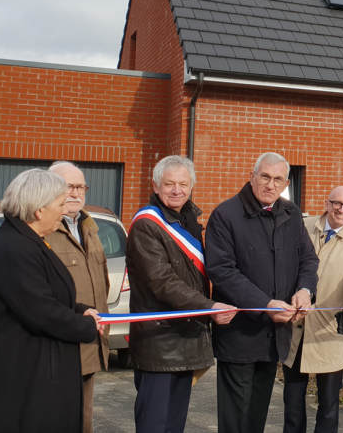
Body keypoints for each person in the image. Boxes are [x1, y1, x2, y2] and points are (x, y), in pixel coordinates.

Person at [0, 169, 104, 433]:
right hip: (18, 380)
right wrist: (86, 326)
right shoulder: (15, 248)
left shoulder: (29, 241)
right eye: (59, 205)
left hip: (32, 372)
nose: (62, 211)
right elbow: (41, 311)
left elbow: (46, 293)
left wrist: (80, 310)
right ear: (39, 211)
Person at [205, 152, 319, 433]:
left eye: (277, 179)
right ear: (252, 176)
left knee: (257, 418)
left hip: (274, 337)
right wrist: (265, 304)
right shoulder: (225, 214)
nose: (270, 184)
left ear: (286, 182)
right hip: (239, 336)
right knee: (235, 422)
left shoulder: (291, 214)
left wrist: (305, 290)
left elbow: (308, 259)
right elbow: (222, 271)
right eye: (265, 177)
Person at [126, 155, 238, 433]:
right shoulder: (147, 224)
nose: (177, 191)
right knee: (155, 424)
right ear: (155, 185)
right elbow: (162, 281)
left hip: (185, 336)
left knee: (174, 424)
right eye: (169, 184)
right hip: (159, 342)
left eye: (183, 184)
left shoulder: (187, 221)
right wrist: (209, 306)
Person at [282, 186, 343, 433]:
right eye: (336, 203)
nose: (341, 209)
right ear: (327, 203)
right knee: (292, 404)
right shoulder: (302, 226)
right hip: (296, 328)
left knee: (329, 407)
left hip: (328, 331)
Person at [43, 161, 110, 433]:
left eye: (81, 186)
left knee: (83, 418)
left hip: (89, 338)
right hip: (56, 347)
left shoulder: (89, 227)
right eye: (68, 186)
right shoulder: (43, 230)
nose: (76, 193)